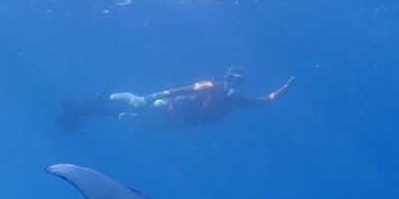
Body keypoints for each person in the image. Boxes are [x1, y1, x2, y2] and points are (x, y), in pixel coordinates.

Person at [57, 66, 293, 134]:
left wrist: (285, 89)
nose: (234, 84)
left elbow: (265, 101)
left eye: (238, 81)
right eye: (232, 78)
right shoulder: (209, 86)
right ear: (226, 77)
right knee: (138, 103)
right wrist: (155, 96)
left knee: (138, 123)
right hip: (170, 107)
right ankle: (107, 96)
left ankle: (105, 111)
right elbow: (181, 90)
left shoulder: (238, 101)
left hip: (178, 123)